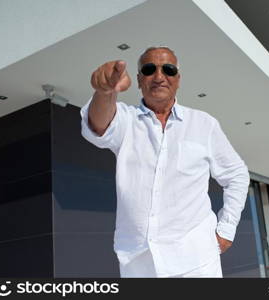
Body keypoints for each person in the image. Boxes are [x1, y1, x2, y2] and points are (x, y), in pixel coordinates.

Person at [80, 46, 250, 278]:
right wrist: (105, 91)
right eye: (149, 69)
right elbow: (98, 126)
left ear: (178, 79)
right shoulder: (126, 119)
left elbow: (237, 174)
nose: (159, 77)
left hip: (197, 261)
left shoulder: (204, 124)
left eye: (168, 69)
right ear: (139, 80)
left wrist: (227, 229)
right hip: (138, 265)